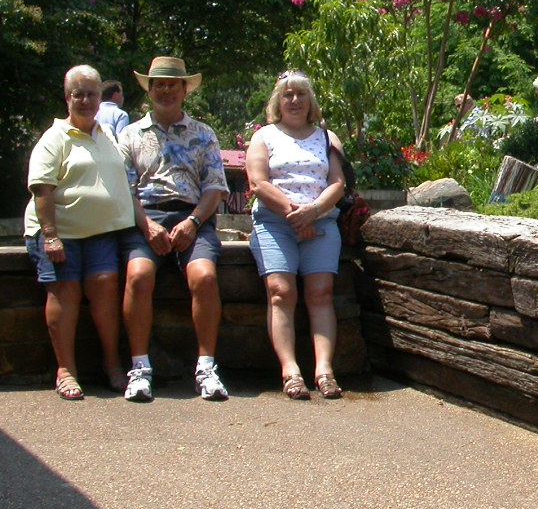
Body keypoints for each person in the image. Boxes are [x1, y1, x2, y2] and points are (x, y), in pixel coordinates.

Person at [118, 56, 229, 402]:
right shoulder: (130, 134)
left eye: (172, 85)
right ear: (150, 90)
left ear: (184, 90)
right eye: (159, 85)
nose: (166, 91)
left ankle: (206, 368)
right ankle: (139, 369)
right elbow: (124, 190)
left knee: (205, 277)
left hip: (192, 217)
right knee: (138, 276)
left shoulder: (203, 134)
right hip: (145, 217)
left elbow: (215, 188)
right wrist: (147, 225)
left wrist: (193, 222)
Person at [24, 66, 136, 399]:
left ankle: (112, 364)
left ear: (100, 98)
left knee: (105, 288)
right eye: (78, 94)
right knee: (65, 291)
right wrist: (50, 235)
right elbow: (42, 190)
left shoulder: (107, 134)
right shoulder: (54, 138)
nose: (85, 100)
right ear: (67, 98)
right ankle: (66, 371)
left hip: (101, 233)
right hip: (60, 233)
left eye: (91, 94)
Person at [245, 71, 347, 400]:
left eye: (301, 94)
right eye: (287, 94)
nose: (294, 100)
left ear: (310, 100)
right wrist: (295, 214)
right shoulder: (264, 137)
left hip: (320, 222)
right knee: (281, 291)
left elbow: (338, 183)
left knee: (321, 292)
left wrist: (312, 212)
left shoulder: (327, 138)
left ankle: (324, 370)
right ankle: (290, 371)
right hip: (275, 222)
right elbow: (258, 182)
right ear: (278, 101)